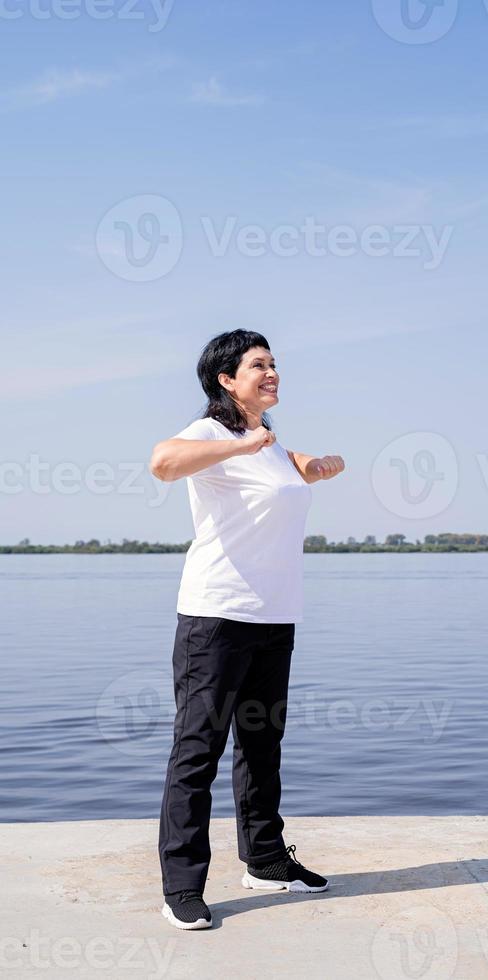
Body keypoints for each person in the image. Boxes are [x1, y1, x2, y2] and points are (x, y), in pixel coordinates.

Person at [150, 329, 345, 930]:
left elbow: (282, 472)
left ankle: (265, 860)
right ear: (226, 379)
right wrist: (244, 445)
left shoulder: (266, 442)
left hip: (273, 616)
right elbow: (162, 464)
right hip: (216, 617)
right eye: (259, 365)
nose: (272, 372)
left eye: (274, 363)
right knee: (198, 752)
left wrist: (310, 464)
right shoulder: (213, 434)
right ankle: (181, 887)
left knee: (262, 747)